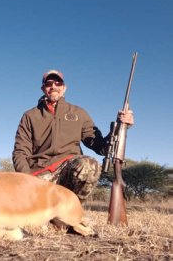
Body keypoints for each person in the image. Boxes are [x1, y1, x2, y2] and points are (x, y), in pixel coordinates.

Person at [12, 69, 134, 202]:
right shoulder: (30, 115)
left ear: (64, 88)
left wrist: (120, 127)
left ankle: (71, 209)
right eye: (49, 83)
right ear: (43, 88)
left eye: (58, 83)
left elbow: (101, 147)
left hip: (68, 170)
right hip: (40, 174)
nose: (53, 86)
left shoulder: (79, 113)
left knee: (89, 164)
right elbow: (20, 152)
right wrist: (26, 180)